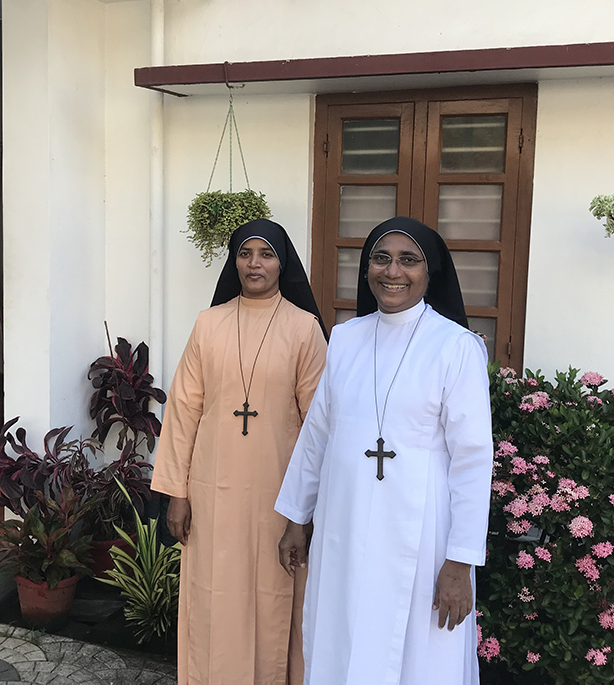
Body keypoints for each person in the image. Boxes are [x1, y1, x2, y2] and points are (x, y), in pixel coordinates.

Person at [275, 216, 493, 685]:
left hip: (423, 537)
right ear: (366, 268)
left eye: (408, 260)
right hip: (344, 525)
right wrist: (296, 518)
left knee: (419, 653)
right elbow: (318, 434)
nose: (393, 271)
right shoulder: (347, 338)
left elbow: (474, 460)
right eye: (381, 258)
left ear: (429, 273)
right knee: (342, 633)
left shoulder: (456, 347)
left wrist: (460, 562)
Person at [152, 218, 328, 685]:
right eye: (245, 253)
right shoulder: (208, 324)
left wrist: (306, 509)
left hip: (278, 494)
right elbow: (184, 409)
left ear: (282, 262)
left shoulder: (305, 329)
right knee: (216, 594)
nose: (255, 263)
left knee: (272, 594)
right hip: (212, 493)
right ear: (234, 261)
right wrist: (176, 492)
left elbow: (319, 424)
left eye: (266, 254)